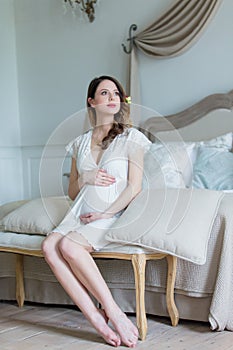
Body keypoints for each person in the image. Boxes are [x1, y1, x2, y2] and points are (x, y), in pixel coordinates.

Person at [42, 75, 151, 348]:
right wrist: (86, 177)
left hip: (111, 215)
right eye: (105, 93)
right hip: (79, 213)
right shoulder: (79, 143)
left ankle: (113, 311)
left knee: (69, 246)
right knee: (49, 246)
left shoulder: (131, 138)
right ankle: (96, 318)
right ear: (91, 102)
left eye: (116, 93)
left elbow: (134, 187)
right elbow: (73, 192)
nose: (113, 97)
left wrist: (106, 214)